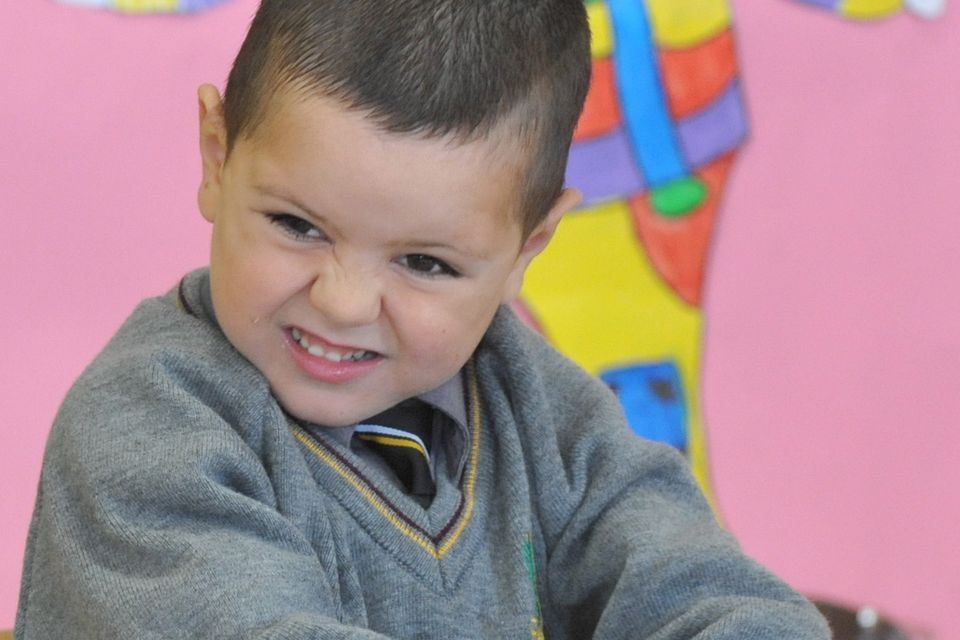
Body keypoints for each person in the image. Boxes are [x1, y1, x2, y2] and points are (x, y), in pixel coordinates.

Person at [15, 0, 830, 638]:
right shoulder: (144, 431)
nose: (341, 302)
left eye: (426, 264)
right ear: (217, 158)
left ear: (528, 248)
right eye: (297, 225)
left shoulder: (541, 412)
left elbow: (710, 594)